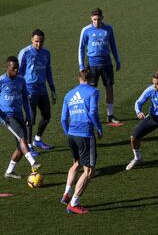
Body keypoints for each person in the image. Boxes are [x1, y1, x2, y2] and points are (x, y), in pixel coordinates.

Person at [0, 56, 41, 179]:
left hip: (19, 115)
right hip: (7, 117)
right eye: (13, 68)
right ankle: (33, 162)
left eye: (17, 68)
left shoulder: (21, 81)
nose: (16, 71)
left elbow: (26, 100)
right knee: (22, 137)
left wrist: (29, 115)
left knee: (20, 147)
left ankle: (9, 172)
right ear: (7, 68)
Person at [60, 69, 103, 215]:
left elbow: (63, 119)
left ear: (78, 78)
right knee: (89, 171)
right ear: (91, 79)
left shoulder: (69, 94)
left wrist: (68, 132)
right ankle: (74, 203)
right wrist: (99, 127)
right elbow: (92, 112)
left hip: (72, 134)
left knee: (77, 163)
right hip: (85, 134)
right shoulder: (93, 91)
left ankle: (66, 194)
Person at [78, 7, 121, 124]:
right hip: (92, 65)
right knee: (90, 91)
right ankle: (90, 115)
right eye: (95, 19)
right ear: (91, 18)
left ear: (102, 18)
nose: (97, 21)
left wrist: (117, 60)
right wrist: (81, 65)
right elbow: (81, 48)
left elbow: (113, 45)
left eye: (99, 19)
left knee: (109, 89)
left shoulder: (108, 29)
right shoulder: (86, 30)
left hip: (107, 64)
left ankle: (110, 115)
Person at [18, 29, 56, 157]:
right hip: (29, 89)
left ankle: (37, 140)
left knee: (46, 116)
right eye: (36, 42)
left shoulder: (46, 53)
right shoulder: (25, 53)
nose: (39, 44)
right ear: (31, 40)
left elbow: (48, 71)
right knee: (30, 118)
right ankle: (28, 146)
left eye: (41, 42)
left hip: (42, 89)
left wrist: (52, 89)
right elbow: (19, 72)